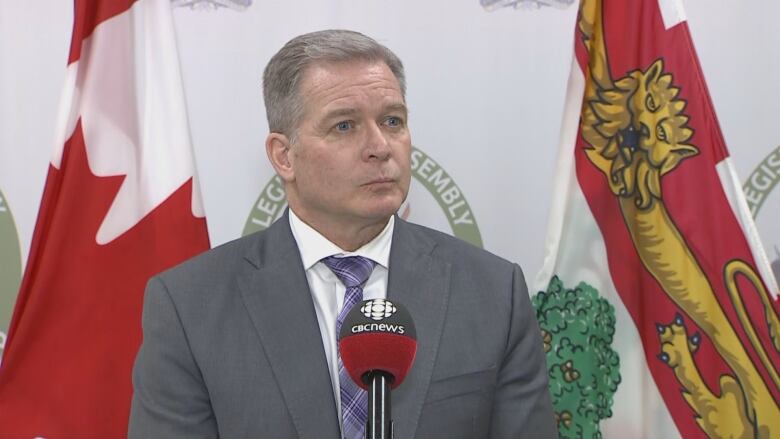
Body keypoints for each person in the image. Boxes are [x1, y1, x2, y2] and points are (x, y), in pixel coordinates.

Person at [128, 29, 557, 439]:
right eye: (345, 126)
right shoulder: (190, 306)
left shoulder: (493, 292)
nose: (380, 146)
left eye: (392, 121)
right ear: (284, 156)